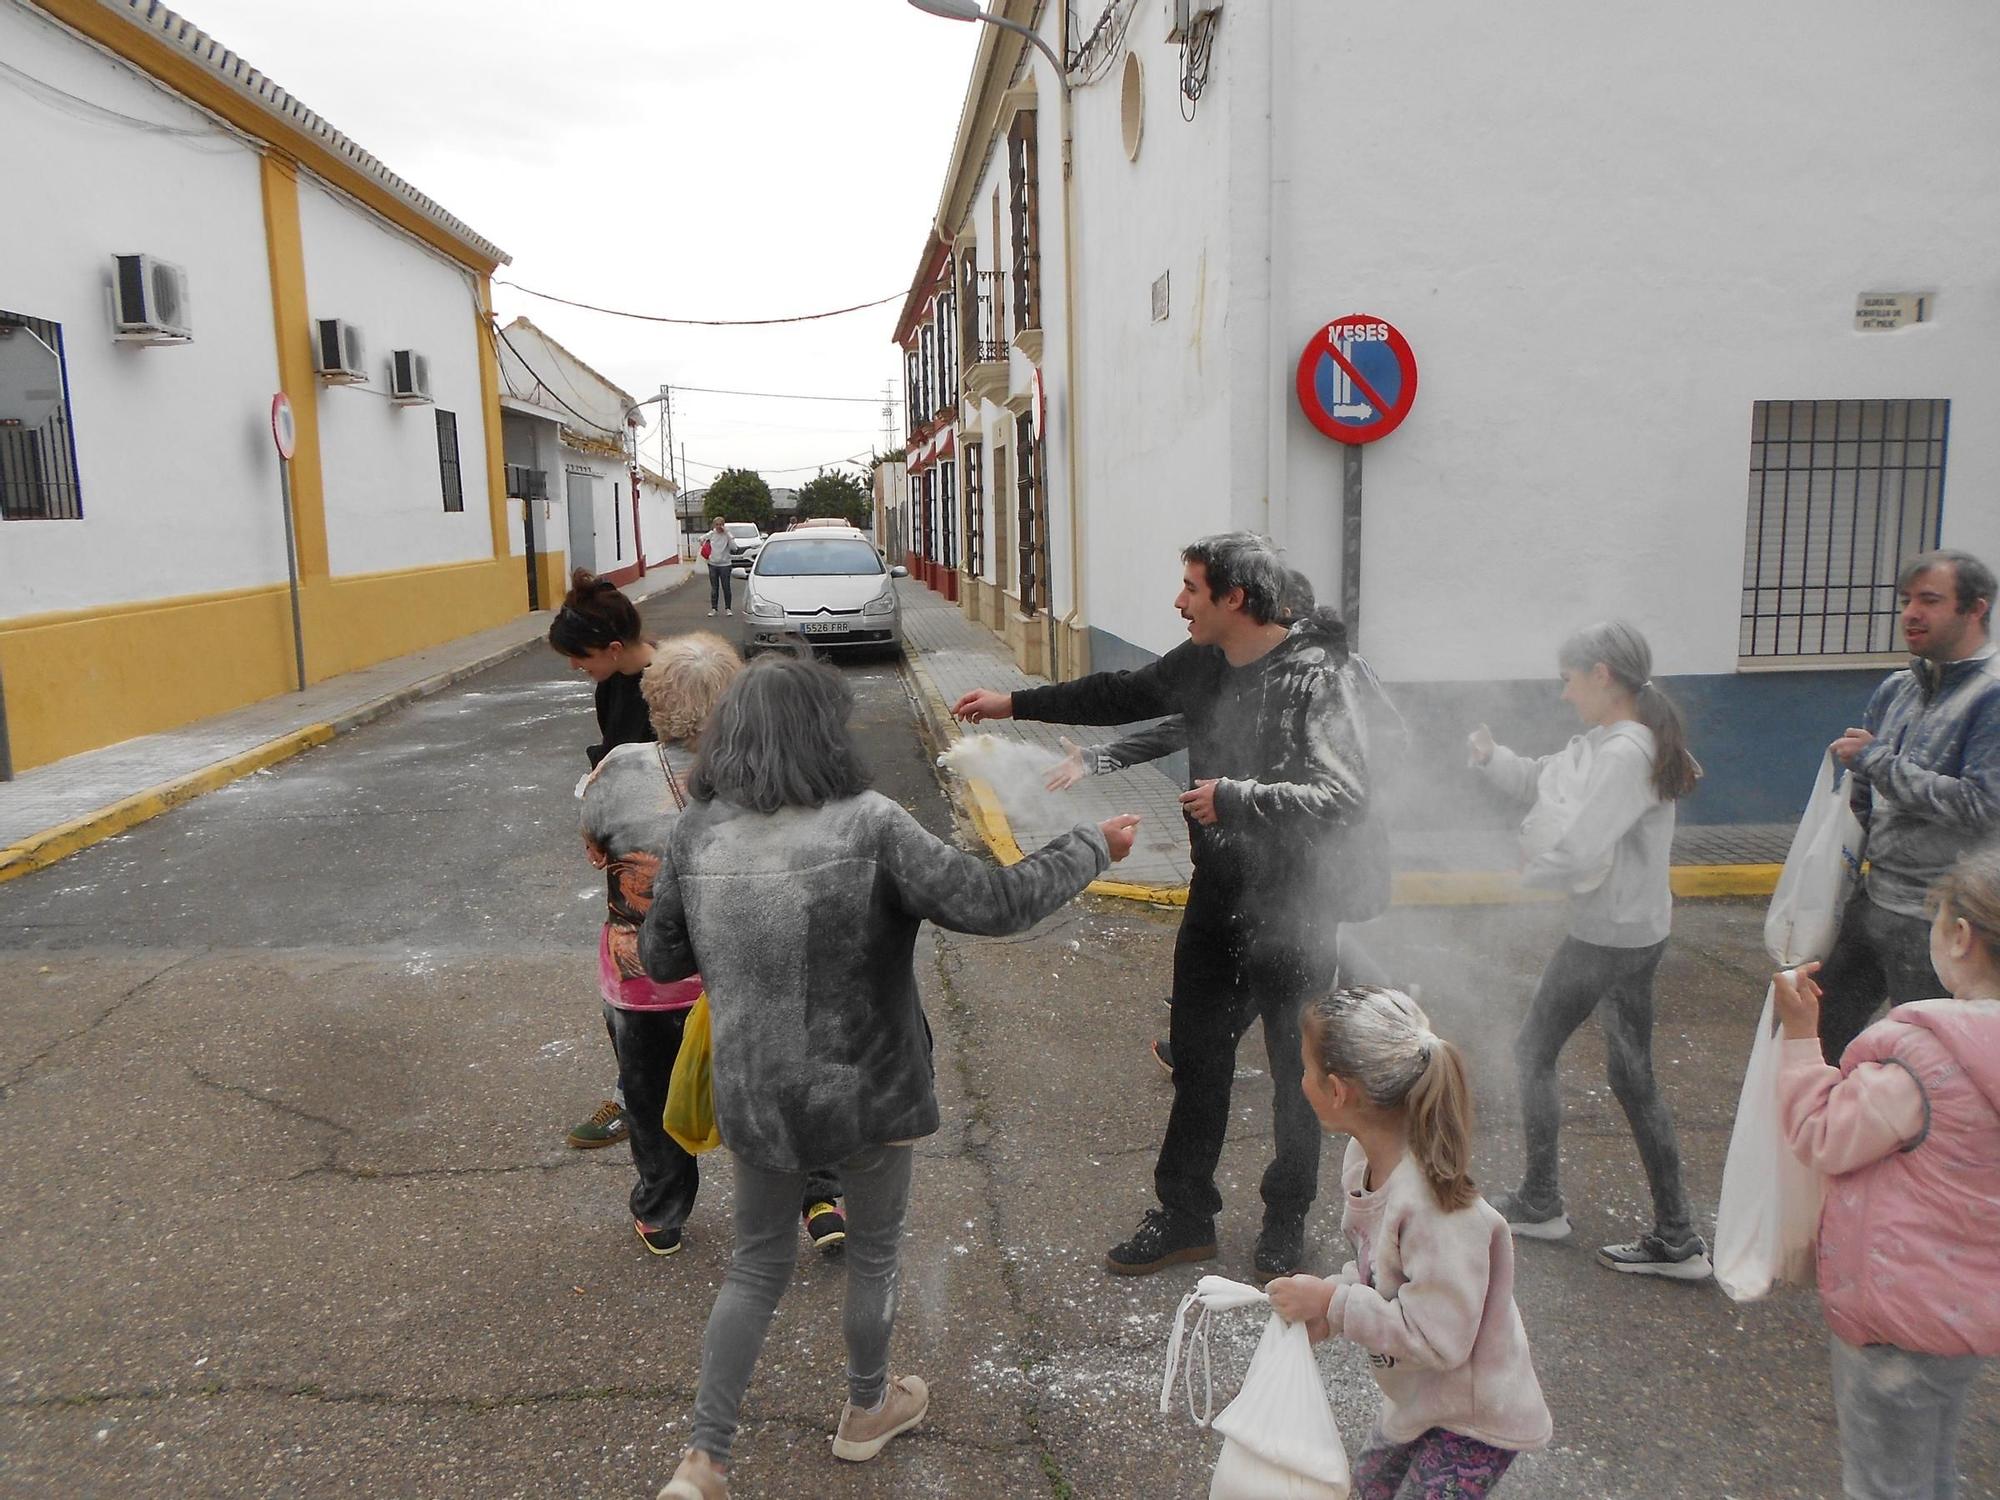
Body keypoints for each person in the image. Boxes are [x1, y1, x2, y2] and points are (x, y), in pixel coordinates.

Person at [643, 654, 1140, 1500]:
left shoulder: (698, 830)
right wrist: (1093, 843)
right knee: (873, 1251)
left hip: (757, 1093)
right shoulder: (869, 824)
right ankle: (866, 1412)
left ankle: (705, 1458)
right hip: (868, 1087)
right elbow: (992, 904)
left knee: (756, 1265)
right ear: (822, 733)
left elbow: (661, 958)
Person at [954, 531, 1385, 1283]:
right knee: (1199, 1064)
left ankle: (1286, 1218)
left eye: (1191, 588)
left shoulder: (1318, 678)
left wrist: (1236, 797)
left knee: (1297, 1074)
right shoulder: (1206, 663)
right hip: (1218, 900)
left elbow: (1345, 796)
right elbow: (1121, 693)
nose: (1178, 602)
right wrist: (1011, 702)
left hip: (1298, 905)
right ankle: (1186, 1217)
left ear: (1234, 599)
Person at [1039, 566, 1407, 1077]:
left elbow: (1388, 743)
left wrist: (1347, 786)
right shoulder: (1252, 673)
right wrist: (1100, 759)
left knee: (1302, 957)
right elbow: (1187, 725)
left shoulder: (1334, 673)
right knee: (1299, 955)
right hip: (1283, 856)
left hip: (1331, 847)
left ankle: (1384, 1041)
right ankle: (1385, 1027)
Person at [579, 634, 844, 1259]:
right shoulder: (779, 772)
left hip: (645, 974)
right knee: (789, 1086)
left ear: (653, 697)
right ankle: (820, 1196)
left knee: (651, 1097)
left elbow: (595, 848)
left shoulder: (616, 770)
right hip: (756, 972)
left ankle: (663, 1212)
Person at [1469, 620, 1709, 1279]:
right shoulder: (1617, 742)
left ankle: (1549, 1202)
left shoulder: (1624, 752)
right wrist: (1496, 762)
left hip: (1610, 936)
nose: (1565, 693)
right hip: (1628, 930)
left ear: (1602, 675)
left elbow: (1581, 843)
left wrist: (1530, 870)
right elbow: (1552, 780)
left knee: (1536, 1052)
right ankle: (1674, 1233)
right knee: (1631, 1079)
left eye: (1570, 679)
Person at [1771, 844, 2000, 1500]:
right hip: (1971, 1317)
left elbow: (1821, 1134)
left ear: (1960, 937)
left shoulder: (1921, 1065)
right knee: (1930, 1470)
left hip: (1900, 1320)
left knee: (1883, 1484)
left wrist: (1800, 1038)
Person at [1268, 986, 1551, 1499]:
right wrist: (1329, 1308)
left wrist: (1335, 1302)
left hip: (1473, 1417)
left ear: (1337, 1091)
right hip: (1421, 1397)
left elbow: (1437, 1339)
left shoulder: (1437, 1210)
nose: (1299, 1080)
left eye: (1306, 1069)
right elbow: (1381, 1273)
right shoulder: (1364, 1160)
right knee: (1367, 1488)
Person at [1817, 549, 2000, 1064]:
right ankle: (1824, 1140)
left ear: (1975, 610)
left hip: (1940, 920)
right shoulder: (1898, 687)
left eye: (1930, 600)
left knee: (1923, 1069)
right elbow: (1864, 795)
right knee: (1810, 1043)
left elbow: (1983, 805)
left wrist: (1877, 760)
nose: (1911, 613)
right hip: (1873, 901)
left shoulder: (1991, 698)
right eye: (1905, 601)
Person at [548, 568, 658, 1151]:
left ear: (613, 648)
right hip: (630, 864)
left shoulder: (675, 686)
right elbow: (616, 763)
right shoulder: (613, 683)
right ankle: (635, 1093)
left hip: (681, 865)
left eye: (581, 656)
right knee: (628, 986)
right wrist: (597, 821)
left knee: (688, 984)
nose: (576, 667)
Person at [701, 517, 735, 617]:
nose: (719, 527)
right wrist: (703, 543)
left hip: (725, 564)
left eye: (721, 524)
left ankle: (728, 608)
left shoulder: (727, 535)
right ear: (714, 525)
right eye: (717, 524)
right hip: (713, 564)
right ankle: (714, 608)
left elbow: (734, 547)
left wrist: (728, 535)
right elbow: (702, 539)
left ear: (724, 525)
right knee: (714, 588)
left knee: (726, 587)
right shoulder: (711, 534)